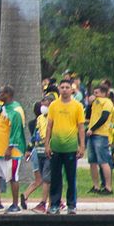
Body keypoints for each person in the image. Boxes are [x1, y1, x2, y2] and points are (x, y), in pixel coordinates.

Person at [43, 81, 86, 215]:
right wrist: (47, 144)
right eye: (62, 87)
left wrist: (82, 145)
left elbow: (80, 127)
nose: (65, 90)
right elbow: (49, 125)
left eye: (67, 87)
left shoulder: (77, 106)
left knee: (71, 177)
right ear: (59, 89)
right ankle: (54, 204)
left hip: (71, 147)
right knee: (55, 177)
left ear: (71, 90)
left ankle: (71, 204)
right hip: (56, 146)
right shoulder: (54, 105)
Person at [86, 83, 114, 194]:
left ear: (104, 93)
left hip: (101, 134)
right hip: (92, 134)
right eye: (94, 93)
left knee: (103, 161)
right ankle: (96, 186)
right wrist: (89, 104)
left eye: (97, 93)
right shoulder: (95, 103)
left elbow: (104, 117)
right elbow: (88, 116)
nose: (95, 95)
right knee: (92, 161)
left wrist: (93, 129)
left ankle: (108, 186)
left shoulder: (107, 103)